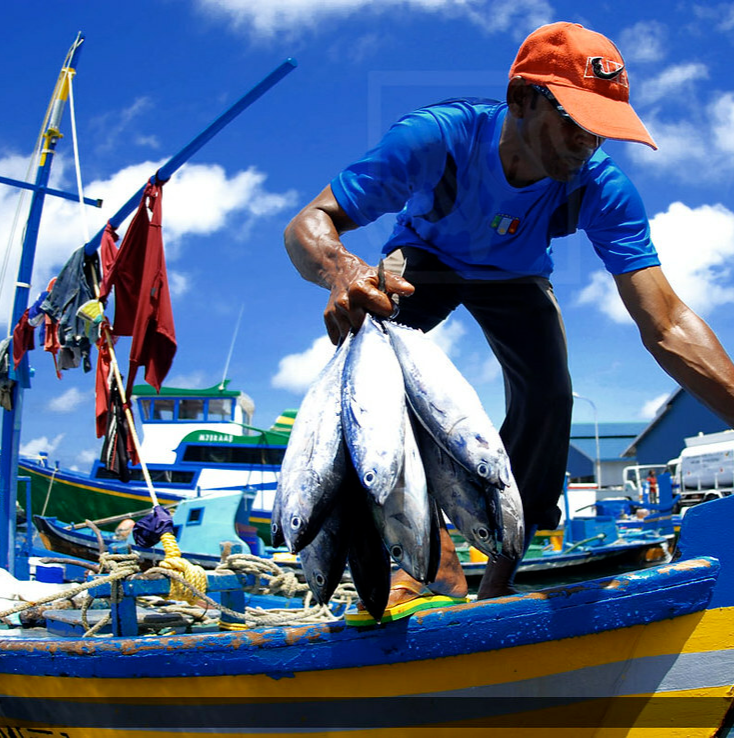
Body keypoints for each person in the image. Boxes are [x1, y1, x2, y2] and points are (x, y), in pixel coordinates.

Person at [283, 21, 734, 605]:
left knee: (549, 396)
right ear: (522, 98)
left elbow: (667, 323)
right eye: (575, 125)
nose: (588, 146)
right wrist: (342, 271)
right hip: (428, 261)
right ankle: (430, 562)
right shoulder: (437, 138)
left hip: (516, 277)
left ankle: (499, 575)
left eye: (602, 132)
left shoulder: (603, 188)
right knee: (375, 363)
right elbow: (308, 224)